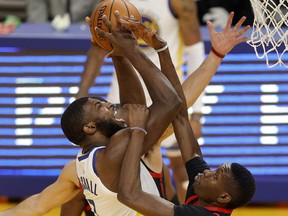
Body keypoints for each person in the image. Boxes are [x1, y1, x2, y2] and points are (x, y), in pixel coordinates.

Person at [0, 12, 182, 216]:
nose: (108, 105)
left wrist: (117, 53)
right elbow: (170, 102)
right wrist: (132, 50)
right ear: (90, 127)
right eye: (99, 107)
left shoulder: (76, 167)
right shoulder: (117, 150)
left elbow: (37, 205)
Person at [117, 12, 256, 216]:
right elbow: (179, 114)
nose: (206, 171)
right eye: (214, 170)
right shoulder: (206, 188)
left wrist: (130, 51)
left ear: (223, 198)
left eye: (215, 176)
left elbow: (129, 195)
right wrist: (162, 50)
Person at [76, 0, 206, 203]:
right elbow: (96, 53)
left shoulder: (179, 2)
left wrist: (197, 112)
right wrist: (80, 96)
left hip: (164, 91)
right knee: (115, 169)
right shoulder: (108, 5)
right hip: (122, 98)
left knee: (181, 168)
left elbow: (195, 49)